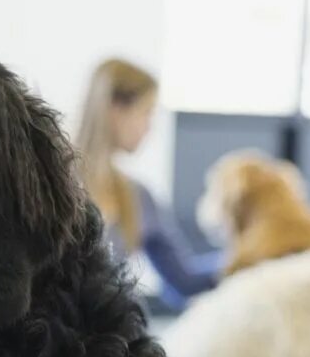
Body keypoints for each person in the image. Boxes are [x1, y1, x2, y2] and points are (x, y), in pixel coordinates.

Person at [73, 57, 222, 309]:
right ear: (116, 109)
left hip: (105, 336)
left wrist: (248, 256)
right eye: (146, 113)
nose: (149, 127)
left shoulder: (139, 198)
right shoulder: (49, 187)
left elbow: (183, 280)